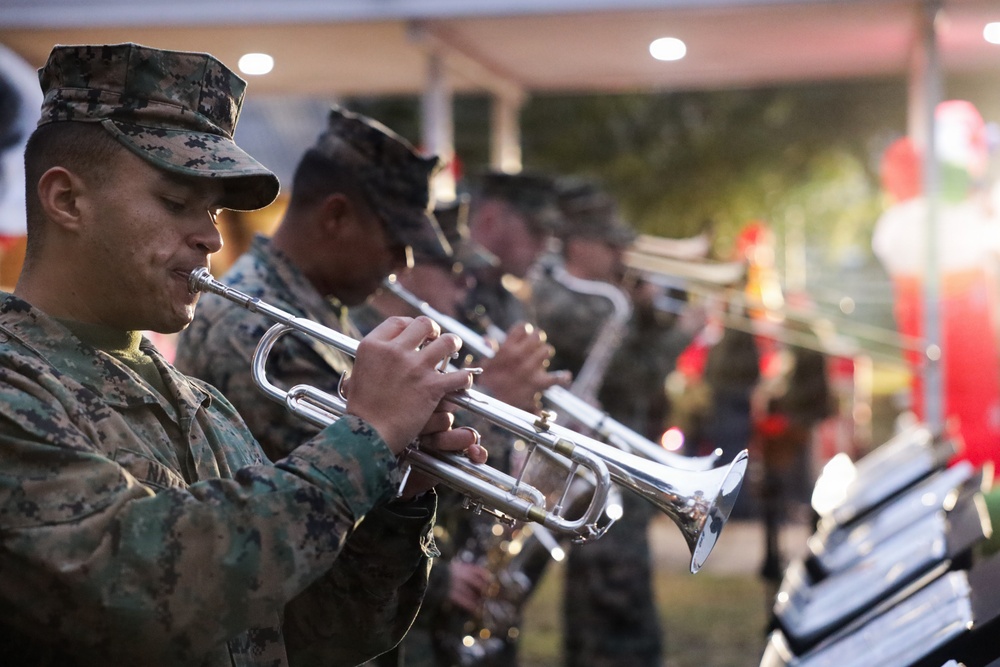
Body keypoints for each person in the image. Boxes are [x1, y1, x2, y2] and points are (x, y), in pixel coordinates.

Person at [0, 42, 483, 666]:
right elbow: (139, 588)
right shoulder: (15, 386)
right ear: (66, 200)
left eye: (212, 210)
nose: (210, 237)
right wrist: (364, 438)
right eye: (176, 203)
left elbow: (323, 632)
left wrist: (402, 488)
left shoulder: (203, 406)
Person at [354, 196, 570, 667]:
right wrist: (493, 397)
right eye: (453, 272)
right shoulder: (363, 351)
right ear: (405, 268)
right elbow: (372, 487)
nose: (465, 288)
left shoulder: (424, 348)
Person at [531, 180, 681, 667]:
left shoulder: (602, 297)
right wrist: (682, 330)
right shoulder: (569, 300)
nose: (622, 255)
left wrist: (650, 317)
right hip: (600, 471)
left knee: (614, 600)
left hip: (617, 468)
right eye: (611, 245)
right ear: (579, 244)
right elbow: (636, 377)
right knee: (611, 599)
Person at [465, 170, 563, 331]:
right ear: (490, 220)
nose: (544, 247)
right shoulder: (445, 288)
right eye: (535, 231)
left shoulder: (505, 299)